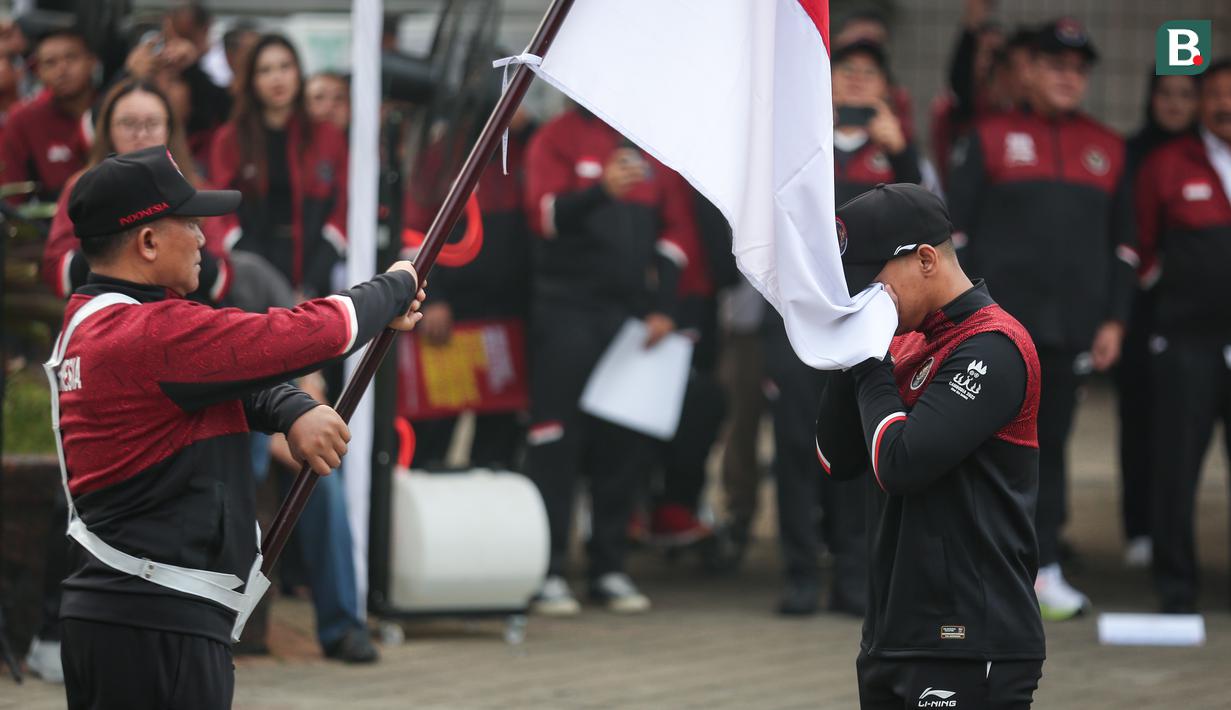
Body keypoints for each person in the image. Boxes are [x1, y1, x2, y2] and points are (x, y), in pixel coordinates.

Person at [50, 145, 425, 709]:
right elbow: (299, 336)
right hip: (159, 625)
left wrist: (292, 409)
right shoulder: (149, 332)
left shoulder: (96, 322)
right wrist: (395, 285)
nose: (205, 239)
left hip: (129, 617)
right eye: (192, 224)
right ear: (148, 242)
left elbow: (227, 378)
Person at [818, 183, 1045, 709]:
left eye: (871, 284)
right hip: (893, 635)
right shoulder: (902, 339)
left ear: (925, 260)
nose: (861, 300)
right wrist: (847, 356)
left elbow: (901, 462)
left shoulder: (994, 345)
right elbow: (838, 458)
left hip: (968, 637)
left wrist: (869, 363)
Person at [947, 18, 1135, 621]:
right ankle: (971, 572)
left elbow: (1124, 247)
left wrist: (1114, 321)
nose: (1067, 78)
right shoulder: (990, 136)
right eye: (1055, 66)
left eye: (1078, 70)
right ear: (1027, 70)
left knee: (1047, 450)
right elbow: (953, 237)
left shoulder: (1108, 147)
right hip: (994, 330)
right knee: (977, 446)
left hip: (1069, 332)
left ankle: (1042, 567)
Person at [769, 38, 921, 617]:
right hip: (796, 320)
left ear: (887, 90)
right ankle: (801, 573)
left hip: (871, 322)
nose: (857, 81)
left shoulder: (898, 154)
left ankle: (856, 578)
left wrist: (902, 155)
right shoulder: (801, 147)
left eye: (869, 73)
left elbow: (928, 226)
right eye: (846, 71)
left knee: (863, 447)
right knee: (793, 448)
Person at [522, 106, 695, 615]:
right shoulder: (556, 137)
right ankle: (548, 570)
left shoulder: (654, 137)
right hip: (564, 310)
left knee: (621, 440)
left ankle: (609, 567)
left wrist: (664, 306)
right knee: (556, 440)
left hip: (628, 319)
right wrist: (602, 191)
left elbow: (677, 232)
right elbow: (544, 215)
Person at [1133, 59, 1231, 615]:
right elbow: (1142, 250)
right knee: (1176, 469)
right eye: (1213, 93)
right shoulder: (1167, 164)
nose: (1224, 104)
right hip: (1186, 342)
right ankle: (1176, 586)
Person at [409, 109, 535, 470]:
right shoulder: (446, 152)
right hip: (453, 317)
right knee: (434, 431)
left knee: (499, 440)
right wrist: (434, 298)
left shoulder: (528, 145)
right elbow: (416, 230)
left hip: (510, 317)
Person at [41, 78, 227, 300]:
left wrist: (181, 243)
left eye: (152, 123)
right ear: (108, 129)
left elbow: (221, 281)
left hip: (186, 315)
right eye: (128, 123)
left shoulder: (196, 187)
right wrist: (113, 243)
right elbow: (57, 274)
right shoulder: (82, 186)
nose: (141, 134)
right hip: (108, 312)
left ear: (169, 129)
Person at [1116, 71, 1199, 570]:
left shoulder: (1209, 154)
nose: (1174, 104)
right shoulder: (1132, 154)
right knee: (1140, 421)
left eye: (1186, 95)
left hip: (1197, 321)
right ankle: (1140, 527)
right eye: (1165, 94)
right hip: (1143, 316)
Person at [211, 34, 348, 299]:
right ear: (252, 80)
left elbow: (341, 213)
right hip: (250, 279)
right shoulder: (230, 140)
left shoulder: (327, 136)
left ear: (298, 73)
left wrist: (310, 284)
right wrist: (267, 283)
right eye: (265, 70)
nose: (277, 78)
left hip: (313, 280)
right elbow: (222, 218)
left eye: (285, 67)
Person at [0, 28, 96, 203]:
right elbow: (11, 196)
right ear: (38, 72)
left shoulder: (115, 108)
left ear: (92, 61)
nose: (62, 69)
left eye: (71, 57)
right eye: (50, 63)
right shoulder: (23, 119)